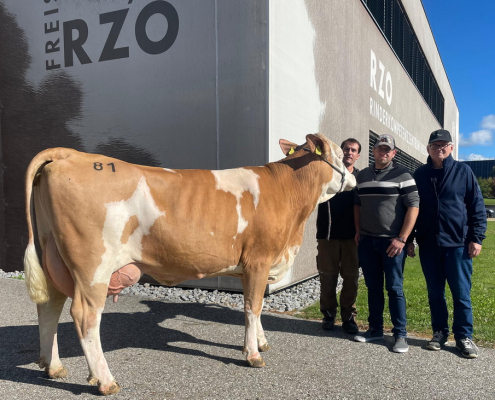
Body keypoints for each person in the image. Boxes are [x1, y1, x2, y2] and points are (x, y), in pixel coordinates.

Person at [406, 129, 486, 358]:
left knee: (461, 294)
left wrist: (476, 238)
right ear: (428, 149)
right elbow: (412, 209)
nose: (439, 148)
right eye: (434, 145)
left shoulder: (464, 171)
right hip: (429, 246)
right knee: (435, 293)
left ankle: (463, 337)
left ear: (451, 147)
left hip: (458, 246)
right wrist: (410, 239)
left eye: (444, 144)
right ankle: (439, 332)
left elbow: (476, 206)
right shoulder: (419, 175)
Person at [353, 134, 419, 353]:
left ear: (393, 153)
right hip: (368, 240)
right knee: (373, 288)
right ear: (374, 151)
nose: (383, 152)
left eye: (387, 149)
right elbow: (357, 205)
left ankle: (400, 334)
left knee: (394, 288)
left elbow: (413, 207)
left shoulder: (403, 175)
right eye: (379, 149)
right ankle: (375, 329)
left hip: (392, 243)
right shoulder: (362, 176)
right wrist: (357, 231)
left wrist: (402, 239)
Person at [316, 138, 361, 334]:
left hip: (353, 238)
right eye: (346, 149)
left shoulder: (361, 178)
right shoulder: (328, 175)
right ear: (341, 152)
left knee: (351, 279)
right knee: (328, 278)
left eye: (353, 150)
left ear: (358, 155)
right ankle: (328, 315)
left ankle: (348, 317)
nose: (349, 152)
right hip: (328, 236)